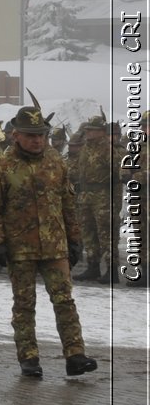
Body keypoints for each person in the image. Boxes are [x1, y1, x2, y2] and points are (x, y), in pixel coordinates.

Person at [0, 102, 97, 378]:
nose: (37, 140)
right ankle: (29, 358)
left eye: (41, 134)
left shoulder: (55, 162)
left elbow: (68, 203)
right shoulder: (2, 168)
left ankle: (75, 355)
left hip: (55, 246)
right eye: (31, 135)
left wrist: (75, 240)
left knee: (65, 300)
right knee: (24, 304)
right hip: (21, 249)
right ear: (15, 135)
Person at [68, 116, 118, 282]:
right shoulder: (85, 149)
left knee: (106, 233)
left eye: (92, 130)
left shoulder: (108, 150)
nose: (88, 133)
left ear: (101, 132)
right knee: (88, 233)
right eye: (87, 130)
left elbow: (118, 172)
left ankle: (112, 271)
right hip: (85, 196)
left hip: (102, 197)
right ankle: (93, 267)